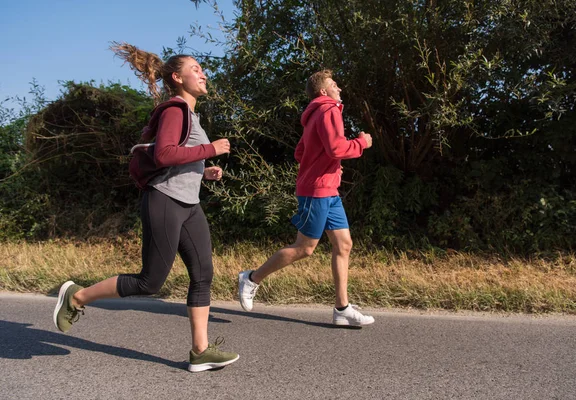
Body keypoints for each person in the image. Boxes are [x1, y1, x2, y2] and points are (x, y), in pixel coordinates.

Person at [53, 42, 239, 372]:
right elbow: (164, 155)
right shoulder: (174, 110)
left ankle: (201, 351)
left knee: (203, 274)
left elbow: (178, 159)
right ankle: (77, 297)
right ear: (177, 77)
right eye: (195, 69)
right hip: (164, 201)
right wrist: (211, 148)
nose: (203, 73)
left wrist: (203, 171)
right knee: (150, 282)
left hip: (189, 204)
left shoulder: (190, 114)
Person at [238, 69, 375, 326]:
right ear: (323, 91)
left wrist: (327, 165)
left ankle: (342, 309)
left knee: (344, 244)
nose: (339, 89)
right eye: (335, 84)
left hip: (327, 188)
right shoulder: (329, 109)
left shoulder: (314, 115)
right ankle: (252, 278)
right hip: (317, 190)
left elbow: (301, 152)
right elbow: (336, 148)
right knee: (305, 247)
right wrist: (361, 143)